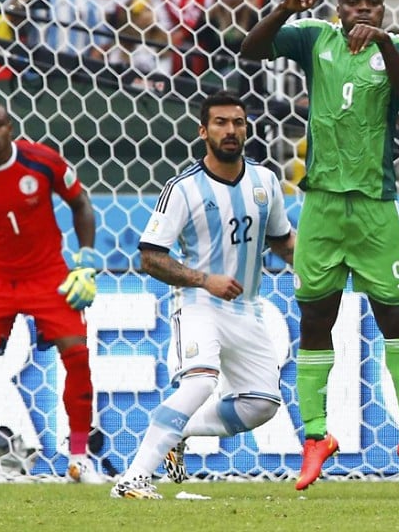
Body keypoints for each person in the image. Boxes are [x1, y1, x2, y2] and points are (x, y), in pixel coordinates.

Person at [239, 0, 399, 489]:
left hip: (375, 204)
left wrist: (386, 44)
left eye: (373, 2)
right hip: (321, 203)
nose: (363, 10)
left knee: (395, 318)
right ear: (339, 6)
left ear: (384, 7)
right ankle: (316, 437)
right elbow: (251, 49)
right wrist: (283, 8)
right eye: (353, 2)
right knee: (315, 320)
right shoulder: (315, 37)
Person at [111, 91, 295, 499]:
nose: (231, 130)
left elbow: (283, 241)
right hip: (199, 304)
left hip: (246, 310)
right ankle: (132, 479)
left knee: (263, 404)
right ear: (202, 130)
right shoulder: (183, 189)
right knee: (199, 383)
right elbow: (150, 258)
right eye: (220, 123)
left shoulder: (265, 181)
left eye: (238, 123)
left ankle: (181, 431)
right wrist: (203, 279)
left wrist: (319, 266)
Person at [0, 101, 100, 484]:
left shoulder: (42, 161)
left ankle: (79, 459)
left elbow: (81, 204)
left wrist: (85, 263)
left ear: (11, 128)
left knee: (77, 355)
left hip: (48, 275)